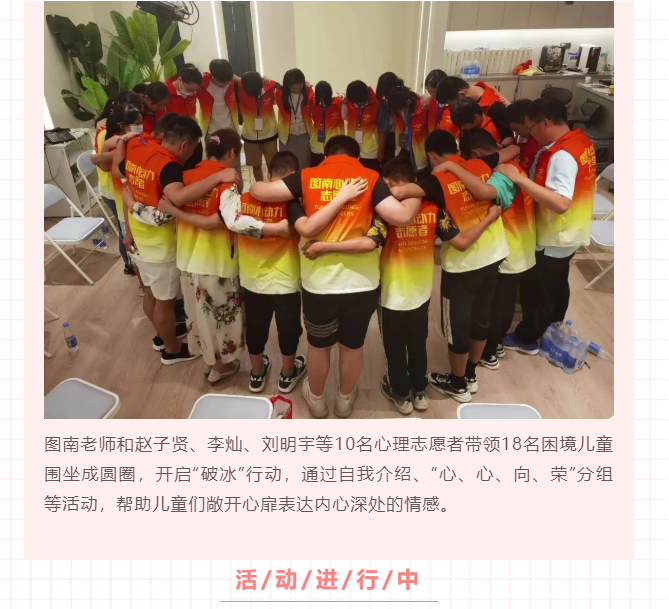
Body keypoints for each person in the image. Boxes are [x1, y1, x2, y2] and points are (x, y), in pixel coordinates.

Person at [302, 157, 501, 416]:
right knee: (419, 342)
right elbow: (461, 242)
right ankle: (420, 393)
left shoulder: (385, 215)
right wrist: (489, 218)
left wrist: (324, 247)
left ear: (386, 183)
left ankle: (401, 394)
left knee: (394, 348)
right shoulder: (434, 209)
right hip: (422, 293)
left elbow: (368, 243)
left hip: (391, 296)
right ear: (414, 181)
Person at [249, 135, 423, 418]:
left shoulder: (306, 177)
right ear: (357, 158)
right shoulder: (369, 178)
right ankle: (344, 400)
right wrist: (418, 191)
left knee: (319, 347)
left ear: (326, 156)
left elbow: (258, 190)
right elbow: (402, 217)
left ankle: (317, 400)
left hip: (319, 283)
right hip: (362, 283)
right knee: (352, 347)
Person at [148, 129, 291, 382]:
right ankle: (220, 367)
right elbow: (231, 220)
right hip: (217, 262)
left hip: (188, 260)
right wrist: (273, 228)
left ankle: (210, 361)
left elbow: (164, 210)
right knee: (223, 320)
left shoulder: (184, 177)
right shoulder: (227, 181)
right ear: (233, 153)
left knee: (199, 317)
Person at [391, 130, 510, 403]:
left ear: (431, 156)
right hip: (494, 254)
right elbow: (510, 150)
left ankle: (457, 384)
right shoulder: (481, 164)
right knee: (481, 317)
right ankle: (470, 375)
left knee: (457, 325)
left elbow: (399, 191)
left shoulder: (436, 181)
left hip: (462, 265)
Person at [114, 116, 239, 365]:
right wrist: (218, 177)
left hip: (139, 238)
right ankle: (171, 349)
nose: (192, 155)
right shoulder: (169, 167)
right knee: (164, 302)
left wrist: (128, 220)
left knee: (151, 293)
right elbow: (174, 203)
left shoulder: (140, 150)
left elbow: (120, 171)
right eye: (192, 149)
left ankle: (161, 336)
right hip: (160, 246)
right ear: (184, 145)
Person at [495, 98, 596, 354]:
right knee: (557, 284)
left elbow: (561, 203)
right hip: (572, 230)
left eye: (531, 129)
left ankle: (527, 338)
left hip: (556, 234)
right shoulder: (580, 140)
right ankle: (553, 327)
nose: (530, 136)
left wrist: (519, 179)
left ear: (546, 123)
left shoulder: (562, 156)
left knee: (539, 290)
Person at [436, 128, 537, 369]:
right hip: (504, 248)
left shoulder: (503, 173)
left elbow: (484, 193)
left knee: (486, 311)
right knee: (488, 308)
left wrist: (451, 167)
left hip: (498, 249)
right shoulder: (504, 164)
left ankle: (484, 356)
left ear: (475, 154)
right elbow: (513, 148)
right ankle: (483, 356)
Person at [237, 151, 306, 393]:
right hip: (285, 279)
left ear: (268, 172)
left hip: (252, 279)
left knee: (256, 327)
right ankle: (287, 374)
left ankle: (257, 373)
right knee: (289, 328)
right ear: (295, 176)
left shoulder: (244, 198)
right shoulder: (296, 203)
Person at [238, 71, 279, 184]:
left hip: (270, 134)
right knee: (256, 165)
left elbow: (282, 86)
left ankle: (272, 186)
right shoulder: (240, 89)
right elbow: (231, 78)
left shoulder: (270, 88)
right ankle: (260, 185)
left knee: (272, 164)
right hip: (250, 136)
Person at [165, 64, 209, 168]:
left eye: (194, 91)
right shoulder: (166, 93)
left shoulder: (192, 92)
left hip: (193, 136)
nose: (192, 93)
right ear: (180, 80)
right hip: (177, 140)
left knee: (196, 166)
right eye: (189, 89)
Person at [387, 85, 430, 178]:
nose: (399, 111)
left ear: (408, 102)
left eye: (401, 108)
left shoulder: (423, 106)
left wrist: (430, 98)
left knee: (420, 177)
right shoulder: (396, 107)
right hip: (402, 148)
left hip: (419, 151)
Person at [276, 69, 313, 170]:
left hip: (304, 132)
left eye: (299, 86)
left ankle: (302, 179)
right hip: (286, 134)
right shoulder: (280, 93)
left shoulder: (309, 91)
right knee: (287, 164)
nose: (296, 89)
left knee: (303, 162)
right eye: (293, 87)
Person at [344, 80, 381, 172]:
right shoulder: (348, 100)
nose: (357, 104)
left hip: (371, 152)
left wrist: (381, 150)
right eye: (355, 103)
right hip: (353, 150)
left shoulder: (377, 104)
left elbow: (382, 130)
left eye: (360, 102)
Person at [308, 81, 345, 167]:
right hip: (316, 145)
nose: (321, 101)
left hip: (334, 145)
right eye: (320, 98)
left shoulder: (339, 103)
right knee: (316, 169)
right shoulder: (312, 102)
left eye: (324, 98)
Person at [450, 98, 515, 146]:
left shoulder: (488, 132)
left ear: (475, 117)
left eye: (464, 124)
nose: (462, 127)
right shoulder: (474, 122)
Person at [437, 76, 510, 113]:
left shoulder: (493, 107)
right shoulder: (479, 89)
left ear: (462, 94)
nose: (453, 107)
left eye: (453, 104)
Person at [375, 72, 403, 166]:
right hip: (390, 138)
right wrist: (381, 150)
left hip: (405, 138)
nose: (384, 96)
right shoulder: (384, 103)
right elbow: (382, 129)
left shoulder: (406, 99)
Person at [506, 98, 541, 173]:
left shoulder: (540, 142)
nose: (516, 134)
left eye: (516, 129)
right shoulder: (520, 137)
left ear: (527, 122)